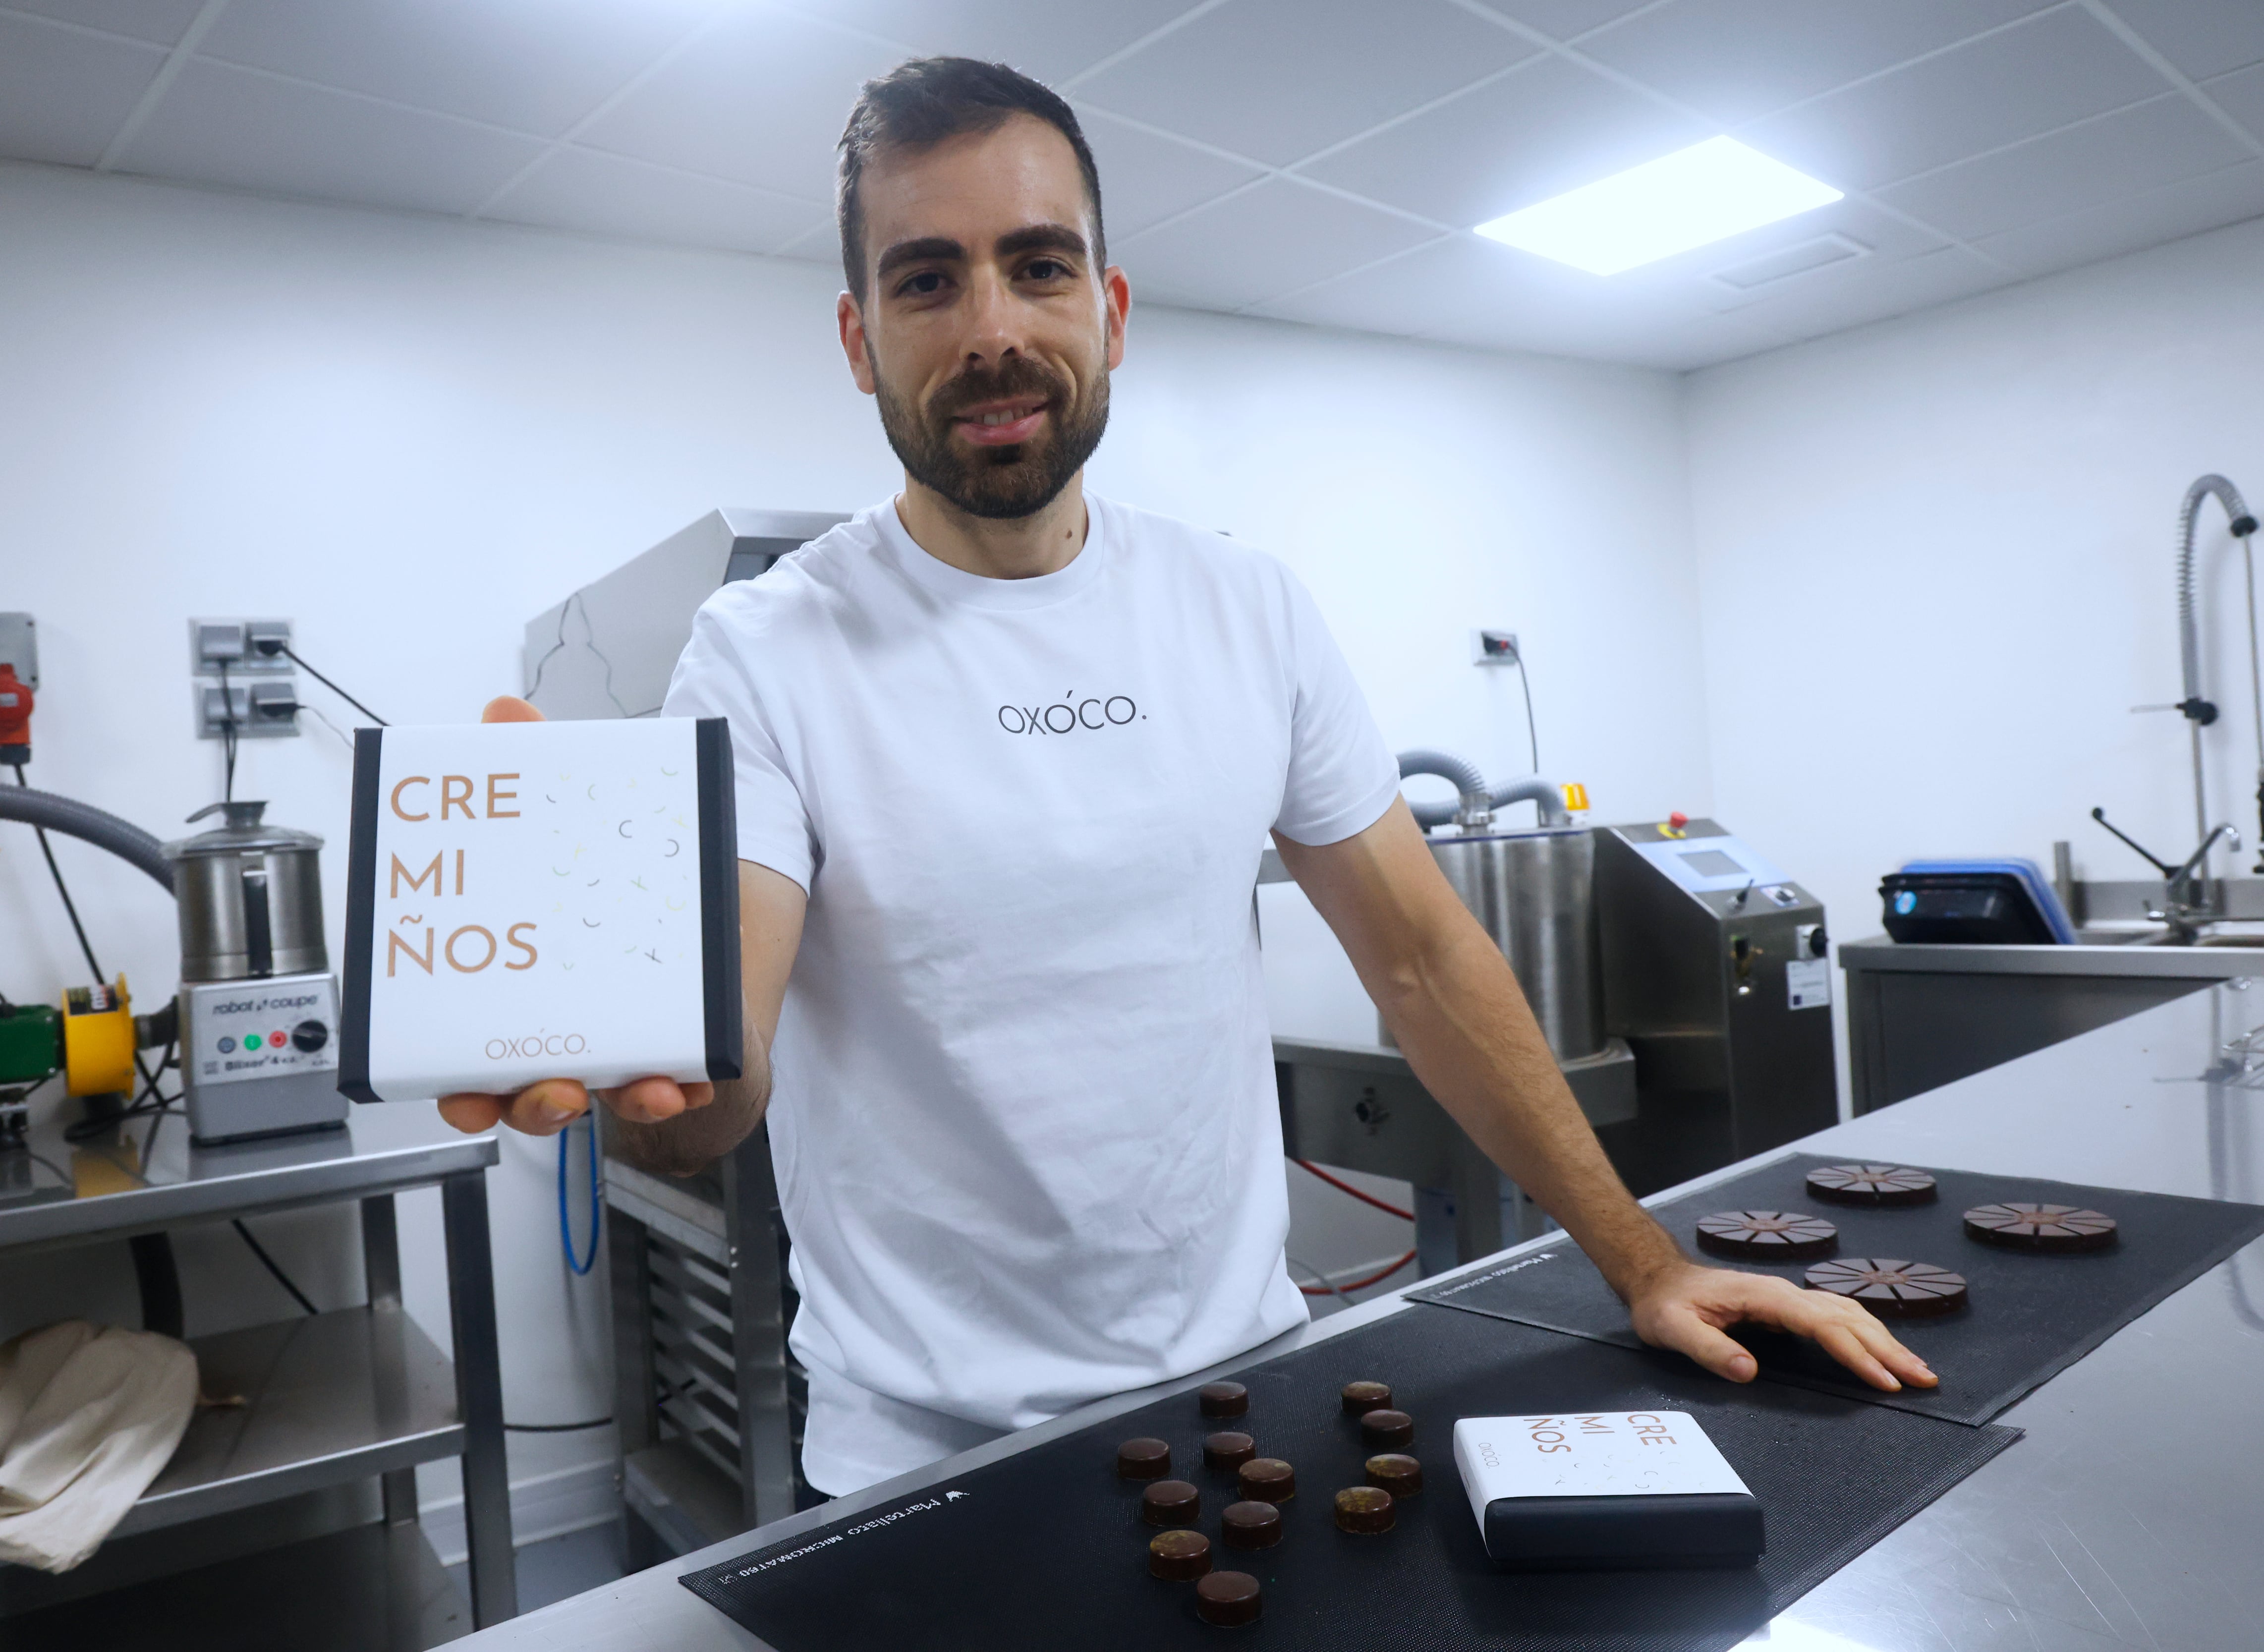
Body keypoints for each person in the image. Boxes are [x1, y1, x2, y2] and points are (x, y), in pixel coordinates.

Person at [442, 56, 1935, 1497]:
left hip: (1250, 1393)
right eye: (926, 279)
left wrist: (1648, 1264)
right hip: (925, 1457)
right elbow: (726, 1068)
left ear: (1112, 306)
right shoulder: (765, 650)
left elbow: (1422, 961)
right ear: (857, 340)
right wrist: (637, 1053)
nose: (991, 330)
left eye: (1037, 266)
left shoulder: (1246, 607)